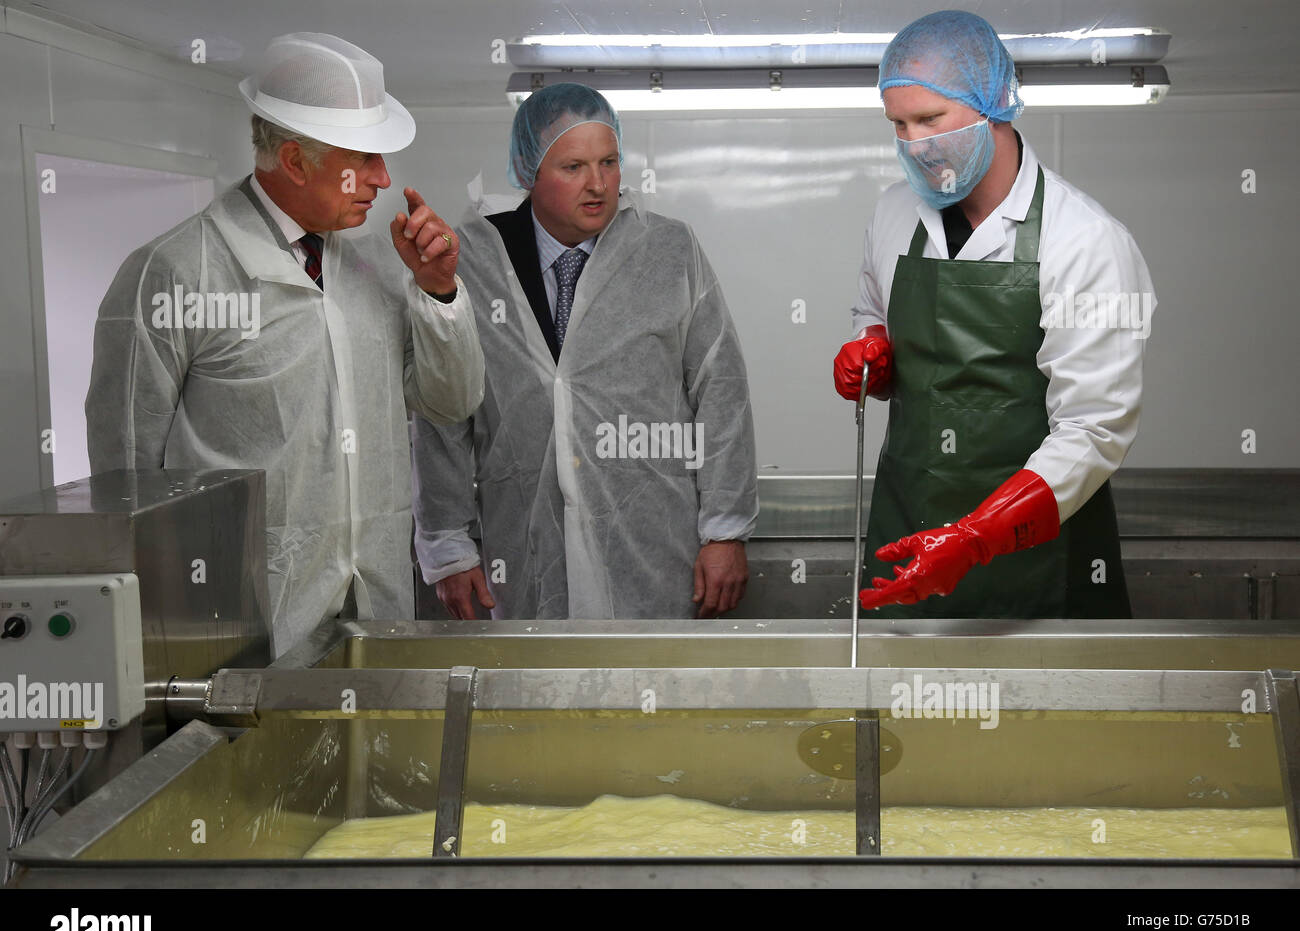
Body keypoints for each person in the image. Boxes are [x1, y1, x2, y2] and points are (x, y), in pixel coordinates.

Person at [86, 33, 485, 655]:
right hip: (236, 617)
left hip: (373, 606)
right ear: (296, 162)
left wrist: (437, 292)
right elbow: (126, 474)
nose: (383, 179)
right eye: (365, 158)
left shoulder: (377, 266)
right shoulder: (176, 271)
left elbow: (451, 402)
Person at [833, 10, 1154, 617]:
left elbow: (1093, 429)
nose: (912, 144)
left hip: (1037, 554)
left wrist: (977, 537)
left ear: (996, 104)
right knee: (900, 710)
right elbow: (870, 310)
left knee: (1046, 711)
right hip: (907, 534)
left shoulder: (1084, 239)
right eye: (897, 124)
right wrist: (871, 347)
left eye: (930, 119)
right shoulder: (894, 213)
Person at [411, 83, 757, 620]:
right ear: (529, 172)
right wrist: (448, 547)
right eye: (573, 167)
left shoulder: (668, 251)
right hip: (521, 550)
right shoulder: (473, 259)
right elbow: (443, 412)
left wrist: (725, 531)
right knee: (536, 697)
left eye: (610, 162)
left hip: (653, 546)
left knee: (652, 696)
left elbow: (721, 390)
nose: (598, 185)